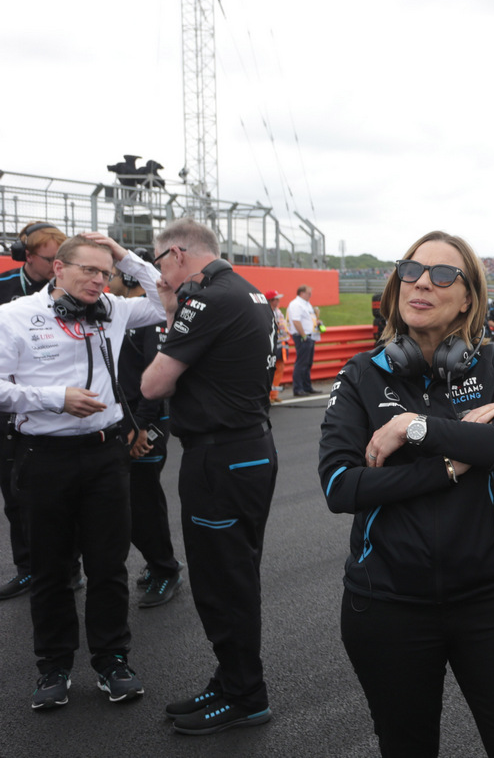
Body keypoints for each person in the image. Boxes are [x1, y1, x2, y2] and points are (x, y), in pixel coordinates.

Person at [318, 231, 494, 758]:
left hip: (490, 598)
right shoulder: (359, 375)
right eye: (411, 270)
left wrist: (413, 428)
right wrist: (452, 462)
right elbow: (342, 487)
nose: (422, 283)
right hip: (387, 604)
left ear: (468, 298)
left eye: (443, 275)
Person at [0, 232, 164, 710]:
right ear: (58, 270)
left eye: (104, 271)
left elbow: (164, 296)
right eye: (88, 270)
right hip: (42, 456)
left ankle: (112, 660)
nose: (99, 279)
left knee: (108, 566)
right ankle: (53, 666)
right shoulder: (14, 316)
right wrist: (55, 399)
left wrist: (124, 254)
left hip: (105, 456)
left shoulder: (113, 308)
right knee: (50, 569)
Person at [141, 218, 278, 735]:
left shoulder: (208, 299)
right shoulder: (245, 291)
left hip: (221, 456)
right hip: (247, 448)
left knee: (223, 582)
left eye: (159, 264)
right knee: (233, 575)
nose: (159, 276)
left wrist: (175, 313)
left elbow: (154, 384)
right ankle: (231, 680)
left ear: (176, 255)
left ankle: (245, 694)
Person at [109, 251, 184, 608]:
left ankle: (165, 568)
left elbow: (157, 380)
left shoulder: (148, 315)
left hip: (146, 421)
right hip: (122, 420)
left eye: (106, 275)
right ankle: (157, 563)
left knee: (142, 501)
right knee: (126, 501)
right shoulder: (112, 313)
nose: (101, 283)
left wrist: (141, 427)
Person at [0, 221, 68, 601]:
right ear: (27, 256)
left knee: (61, 496)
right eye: (50, 259)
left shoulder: (71, 291)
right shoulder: (4, 290)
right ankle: (27, 568)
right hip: (7, 405)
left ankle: (66, 567)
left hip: (53, 406)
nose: (58, 266)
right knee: (13, 493)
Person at [286, 284, 320, 395]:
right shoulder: (296, 304)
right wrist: (304, 335)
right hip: (302, 336)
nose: (310, 295)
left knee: (308, 363)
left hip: (309, 335)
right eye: (309, 293)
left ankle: (306, 386)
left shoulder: (306, 304)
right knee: (301, 363)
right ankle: (298, 388)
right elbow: (296, 321)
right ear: (302, 293)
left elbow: (308, 319)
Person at [265, 290, 289, 403]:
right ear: (271, 300)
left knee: (279, 368)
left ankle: (274, 395)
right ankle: (267, 395)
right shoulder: (265, 311)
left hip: (281, 344)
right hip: (270, 345)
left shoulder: (278, 311)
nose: (278, 301)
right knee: (269, 370)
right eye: (276, 299)